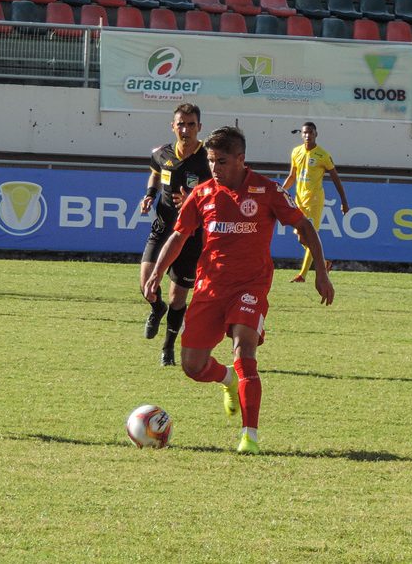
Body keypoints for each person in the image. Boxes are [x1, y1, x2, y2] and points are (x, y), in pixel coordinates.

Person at [143, 126, 334, 454]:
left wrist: (320, 272)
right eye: (211, 161)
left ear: (240, 160)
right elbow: (178, 236)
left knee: (245, 351)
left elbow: (304, 225)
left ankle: (250, 435)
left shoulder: (266, 190)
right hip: (209, 287)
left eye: (221, 161)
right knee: (192, 366)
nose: (214, 168)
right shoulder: (202, 193)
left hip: (251, 286)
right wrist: (157, 272)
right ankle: (228, 380)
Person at [139, 103, 212, 367]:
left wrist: (194, 199)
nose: (185, 129)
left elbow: (219, 191)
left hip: (191, 234)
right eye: (181, 124)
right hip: (162, 227)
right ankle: (156, 309)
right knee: (146, 285)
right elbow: (155, 174)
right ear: (173, 126)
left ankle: (167, 348)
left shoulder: (208, 159)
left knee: (178, 297)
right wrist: (149, 195)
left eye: (191, 124)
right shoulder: (162, 154)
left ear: (199, 127)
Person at [282, 122, 349, 283]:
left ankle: (302, 275)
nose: (307, 135)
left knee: (311, 236)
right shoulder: (296, 152)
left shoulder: (323, 155)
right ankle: (323, 263)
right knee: (301, 238)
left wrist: (344, 201)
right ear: (301, 134)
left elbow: (336, 179)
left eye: (310, 132)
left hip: (314, 201)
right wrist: (281, 191)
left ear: (316, 134)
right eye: (305, 133)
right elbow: (292, 176)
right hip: (299, 200)